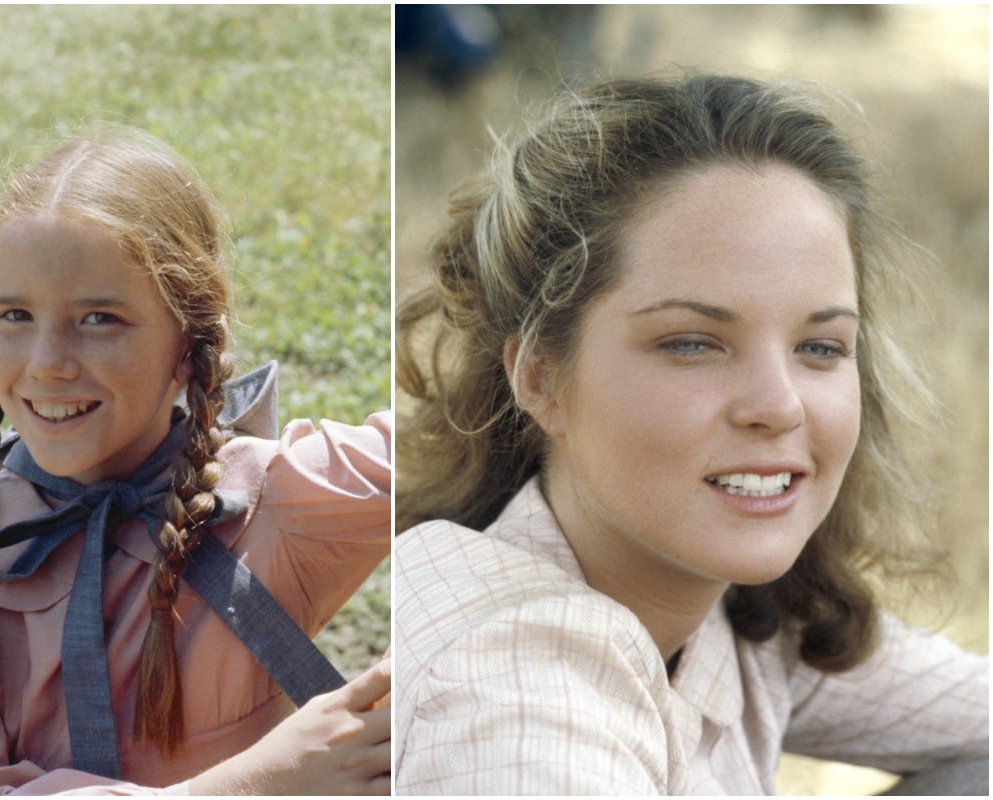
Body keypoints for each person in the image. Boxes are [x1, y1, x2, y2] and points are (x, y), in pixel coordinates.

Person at [394, 73, 987, 794]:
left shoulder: (723, 614)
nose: (780, 405)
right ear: (541, 377)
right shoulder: (513, 693)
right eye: (692, 343)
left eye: (821, 347)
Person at [0, 128, 392, 795]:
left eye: (99, 319)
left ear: (190, 344)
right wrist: (262, 781)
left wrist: (418, 684)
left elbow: (482, 457)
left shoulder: (267, 502)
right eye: (15, 314)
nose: (47, 363)